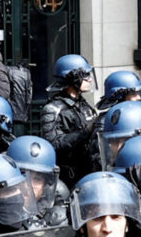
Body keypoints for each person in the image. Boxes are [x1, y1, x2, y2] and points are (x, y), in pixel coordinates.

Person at [37, 53, 99, 181]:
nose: (90, 79)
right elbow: (53, 144)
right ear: (73, 78)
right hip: (69, 176)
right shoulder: (53, 109)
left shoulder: (83, 104)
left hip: (88, 170)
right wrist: (85, 132)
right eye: (85, 75)